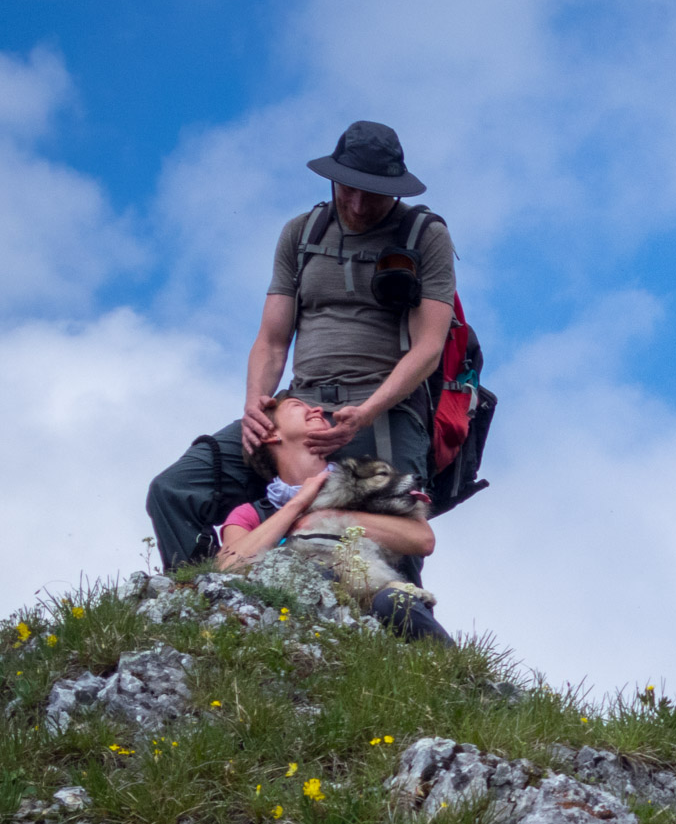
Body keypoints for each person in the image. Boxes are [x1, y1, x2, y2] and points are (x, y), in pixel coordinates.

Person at [146, 120, 456, 572]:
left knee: (391, 548)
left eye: (372, 193)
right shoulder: (302, 234)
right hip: (298, 408)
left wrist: (364, 414)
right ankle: (202, 598)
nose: (356, 203)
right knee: (174, 490)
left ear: (395, 190)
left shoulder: (425, 237)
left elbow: (429, 347)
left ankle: (390, 629)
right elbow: (272, 341)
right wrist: (256, 408)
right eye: (347, 188)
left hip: (383, 414)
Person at [218, 391, 450, 643]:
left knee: (393, 602)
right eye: (297, 405)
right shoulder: (252, 513)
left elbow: (423, 540)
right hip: (295, 625)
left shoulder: (368, 483)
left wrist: (327, 517)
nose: (318, 410)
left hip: (375, 608)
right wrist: (297, 505)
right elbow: (228, 568)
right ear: (271, 433)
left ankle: (463, 678)